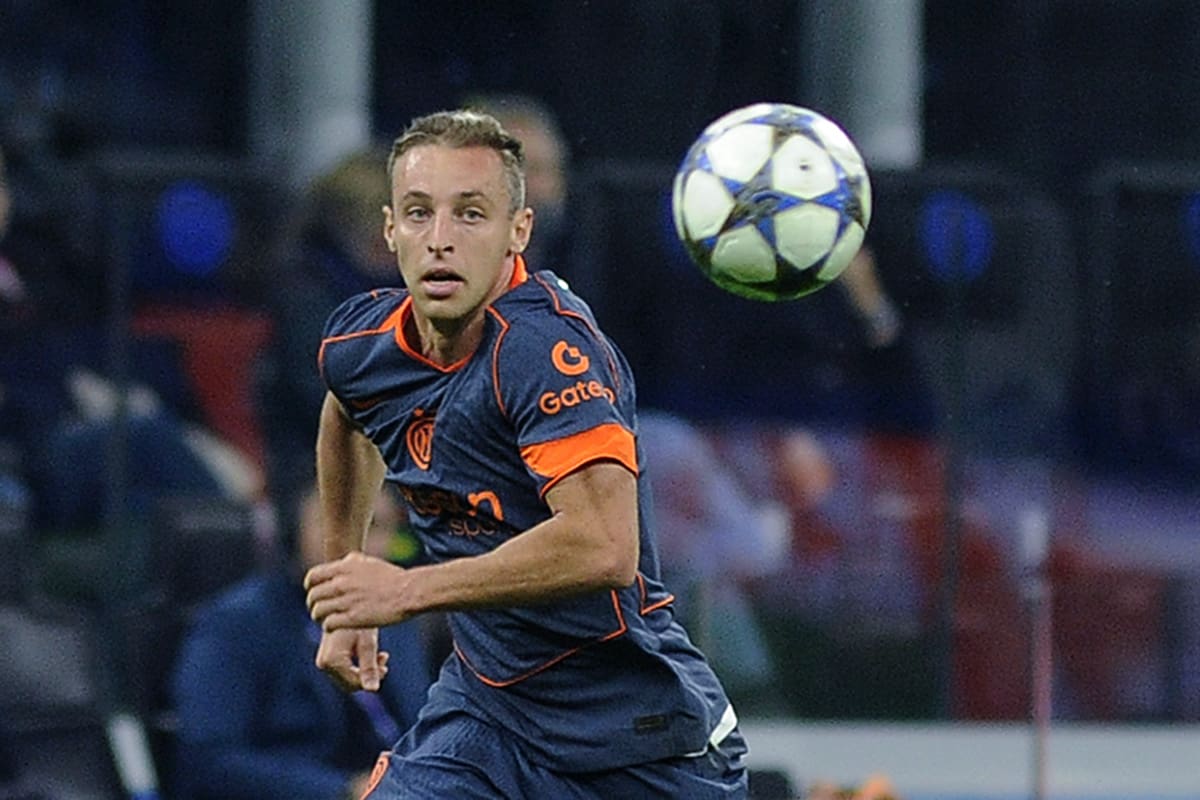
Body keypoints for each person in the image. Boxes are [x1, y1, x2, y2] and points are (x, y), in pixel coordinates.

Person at [302, 109, 748, 799]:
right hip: (489, 716)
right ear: (390, 229)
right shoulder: (363, 341)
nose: (440, 239)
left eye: (470, 214)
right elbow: (346, 413)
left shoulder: (545, 352)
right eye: (419, 213)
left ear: (519, 231)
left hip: (635, 736)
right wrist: (346, 592)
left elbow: (605, 547)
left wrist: (406, 590)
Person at [170, 483, 431, 800]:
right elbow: (210, 761)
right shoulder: (236, 623)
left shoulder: (396, 620)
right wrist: (344, 791)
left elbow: (422, 727)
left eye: (375, 526)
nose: (356, 544)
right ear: (295, 529)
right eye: (338, 523)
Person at [258, 146, 399, 529]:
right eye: (381, 237)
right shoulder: (307, 296)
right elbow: (329, 399)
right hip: (315, 468)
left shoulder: (417, 290)